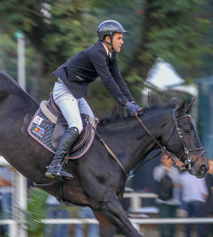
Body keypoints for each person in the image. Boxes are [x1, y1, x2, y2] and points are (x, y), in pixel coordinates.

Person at [46, 20, 142, 179]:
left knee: (93, 125)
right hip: (64, 90)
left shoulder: (110, 54)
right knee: (76, 126)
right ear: (107, 38)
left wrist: (132, 103)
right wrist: (124, 103)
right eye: (119, 38)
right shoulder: (97, 53)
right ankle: (54, 165)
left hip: (75, 92)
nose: (122, 41)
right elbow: (108, 81)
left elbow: (118, 79)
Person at [153, 153, 181, 237]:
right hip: (163, 201)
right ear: (162, 159)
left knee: (173, 223)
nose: (168, 160)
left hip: (175, 200)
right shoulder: (158, 169)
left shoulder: (175, 171)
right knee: (164, 222)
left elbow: (179, 183)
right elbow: (159, 180)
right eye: (166, 158)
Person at [180, 171, 208, 237]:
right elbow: (203, 190)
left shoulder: (183, 176)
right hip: (198, 200)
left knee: (189, 223)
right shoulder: (199, 175)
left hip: (188, 201)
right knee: (200, 223)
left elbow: (182, 190)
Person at [0, 167, 13, 235]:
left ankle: (10, 232)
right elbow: (0, 182)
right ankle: (8, 232)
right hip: (6, 194)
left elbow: (2, 182)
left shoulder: (2, 171)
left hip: (13, 194)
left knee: (13, 213)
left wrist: (5, 181)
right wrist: (11, 183)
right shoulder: (2, 170)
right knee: (6, 213)